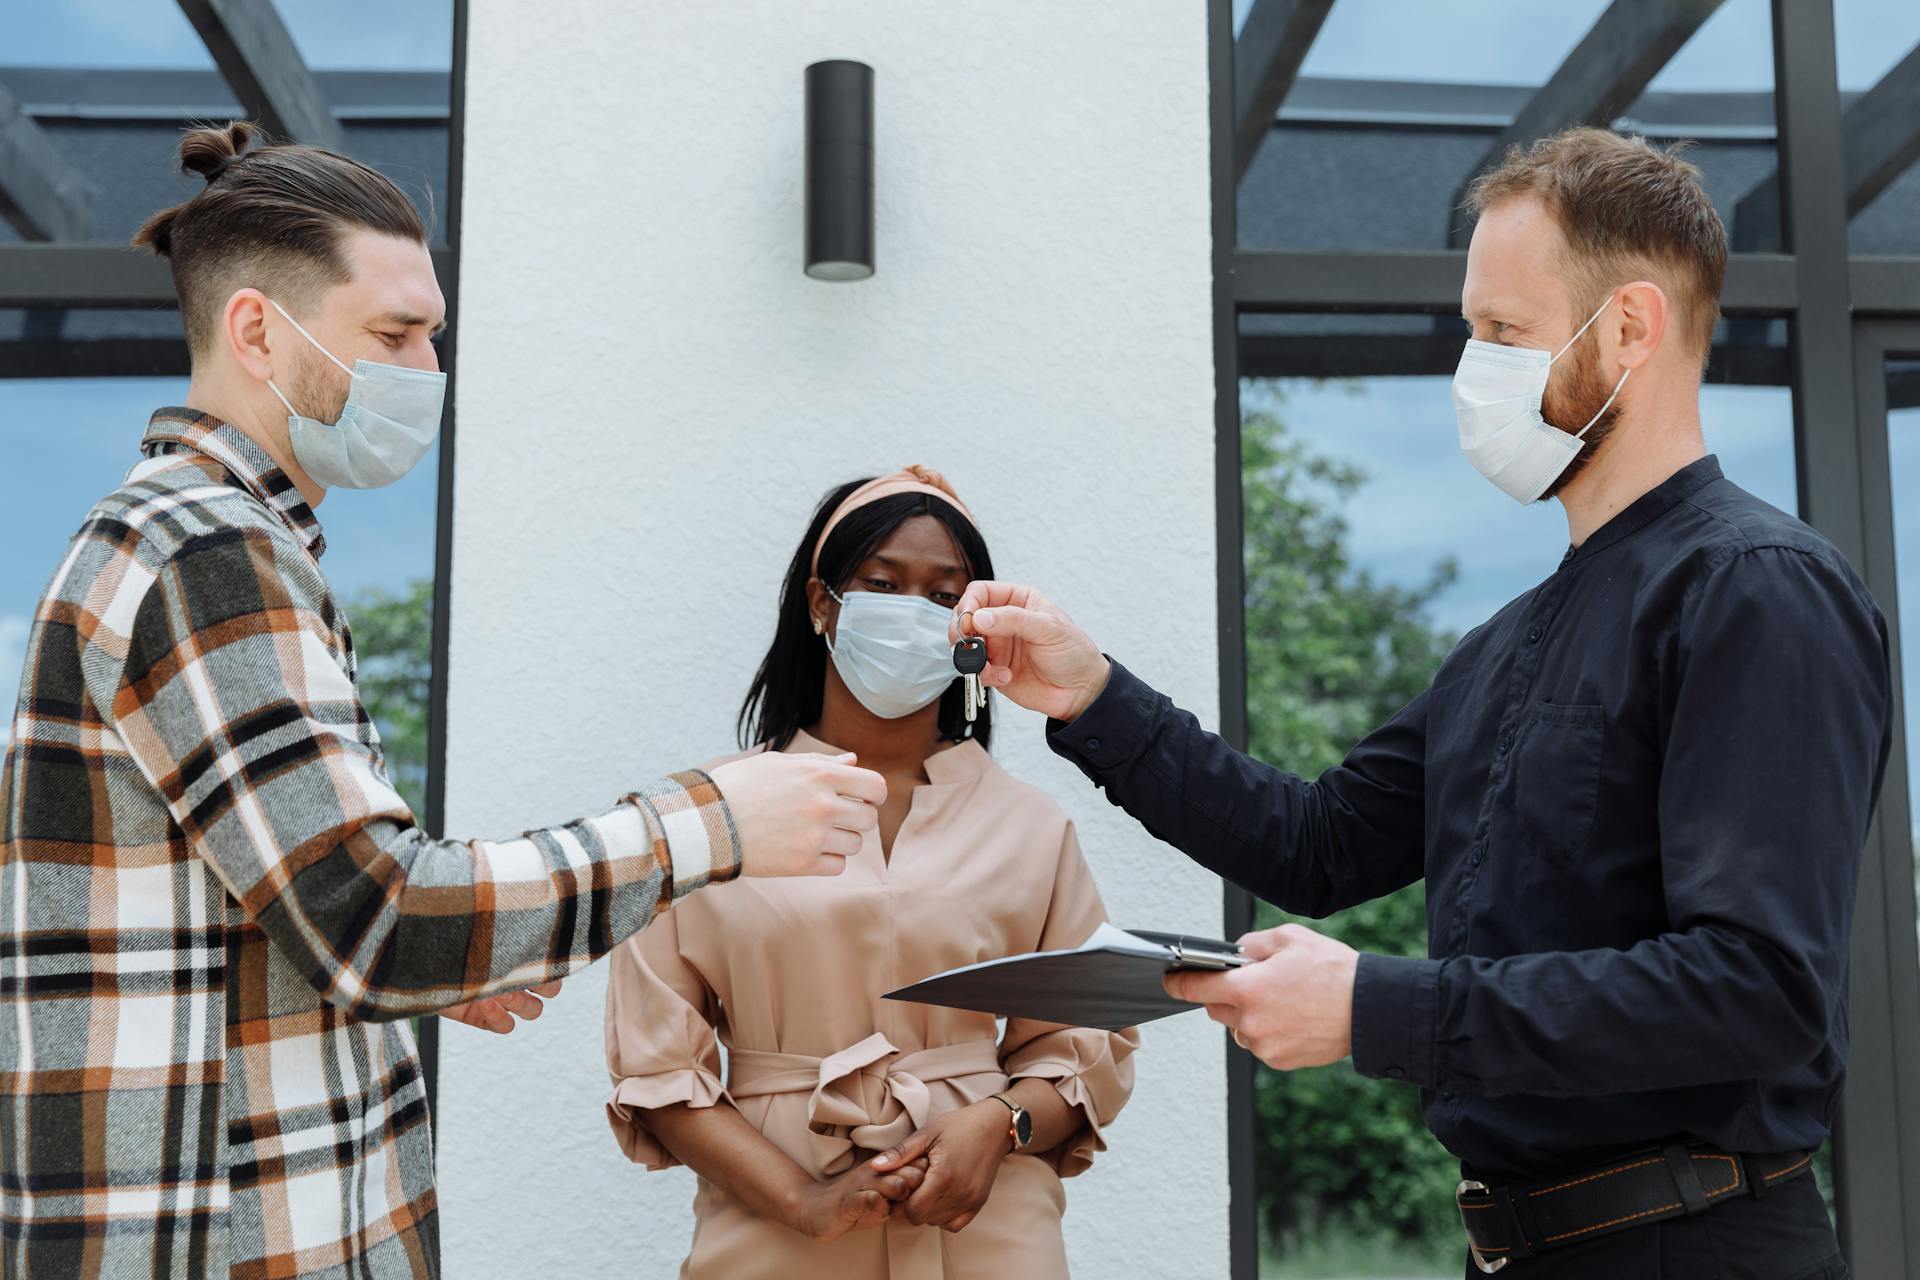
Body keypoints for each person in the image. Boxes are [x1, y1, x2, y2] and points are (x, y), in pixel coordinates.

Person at [950, 130, 1889, 1280]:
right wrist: (1090, 693)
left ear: (1633, 327)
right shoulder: (1505, 644)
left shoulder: (1754, 589)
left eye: (1504, 332)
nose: (1472, 370)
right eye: (1469, 331)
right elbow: (1318, 840)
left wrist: (1371, 1006)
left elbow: (1758, 987)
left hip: (1693, 1246)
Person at [0, 123, 885, 1280]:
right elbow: (372, 914)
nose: (427, 372)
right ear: (258, 330)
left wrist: (436, 960)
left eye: (435, 338)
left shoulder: (212, 540)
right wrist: (709, 823)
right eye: (395, 334)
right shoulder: (204, 554)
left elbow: (301, 902)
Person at [604, 468, 1136, 1278]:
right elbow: (657, 1069)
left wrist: (999, 1126)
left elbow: (1084, 1044)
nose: (910, 612)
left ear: (972, 625)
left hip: (990, 1233)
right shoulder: (702, 818)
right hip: (774, 1237)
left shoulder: (1032, 825)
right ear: (823, 603)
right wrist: (802, 1202)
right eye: (883, 585)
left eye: (940, 595)